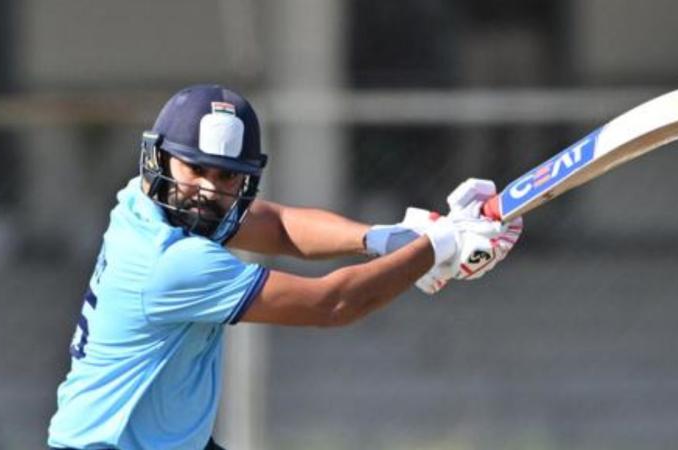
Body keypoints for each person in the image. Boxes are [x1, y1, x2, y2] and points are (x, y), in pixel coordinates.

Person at [47, 85, 523, 450]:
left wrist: (384, 238)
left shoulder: (142, 203)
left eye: (226, 175)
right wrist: (437, 246)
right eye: (196, 168)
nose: (209, 190)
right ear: (162, 159)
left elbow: (276, 226)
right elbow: (332, 305)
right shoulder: (174, 263)